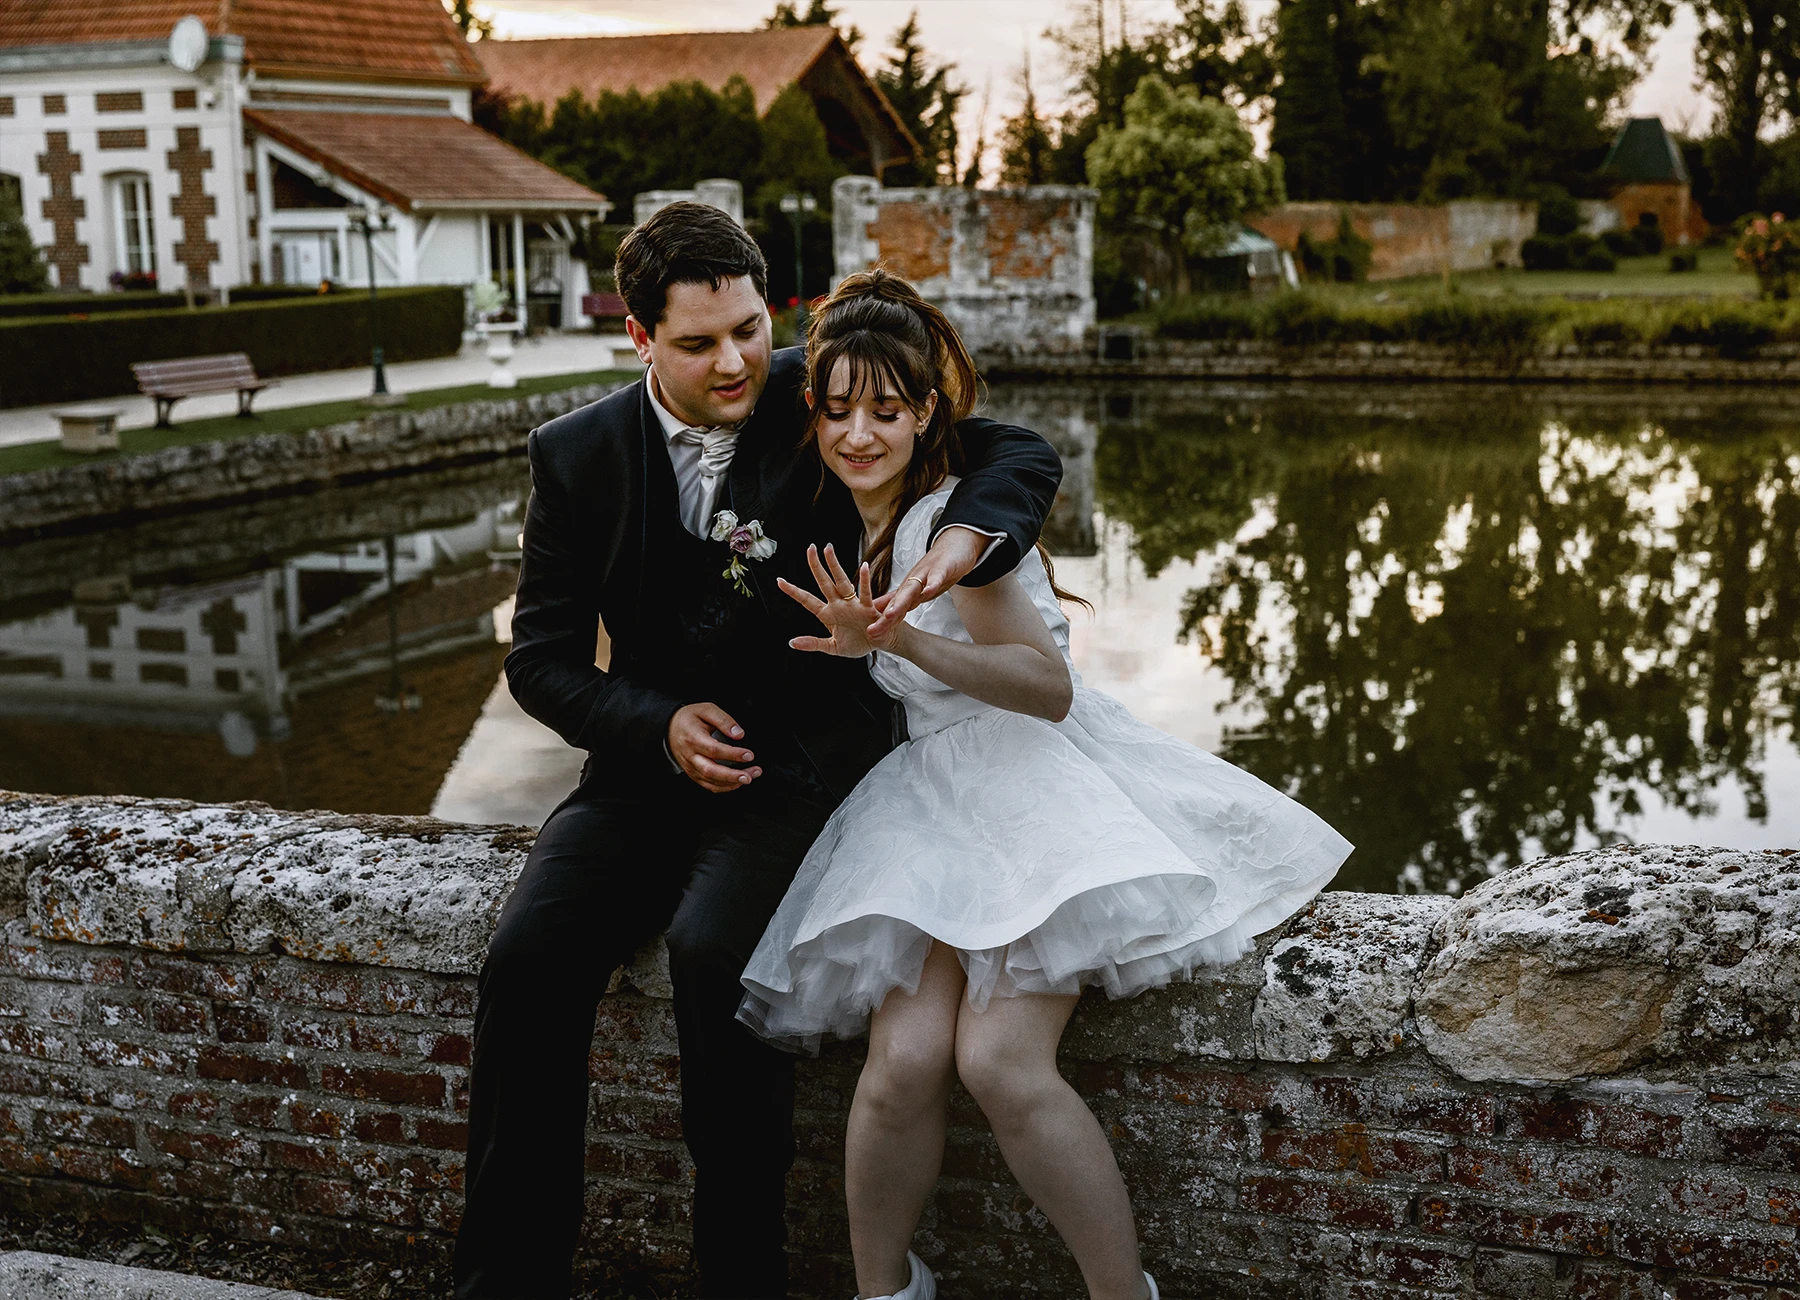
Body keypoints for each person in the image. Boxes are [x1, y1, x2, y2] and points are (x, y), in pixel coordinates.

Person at [452, 206, 1064, 1299]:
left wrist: (962, 545)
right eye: (698, 342)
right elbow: (539, 663)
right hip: (639, 777)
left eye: (748, 328)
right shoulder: (576, 454)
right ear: (638, 337)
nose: (735, 360)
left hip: (795, 772)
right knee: (526, 961)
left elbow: (1012, 447)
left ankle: (741, 1272)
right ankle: (506, 1275)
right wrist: (657, 724)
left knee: (711, 952)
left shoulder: (813, 395)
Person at [739, 270, 1355, 1300]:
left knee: (1001, 1061)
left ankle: (1126, 1295)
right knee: (901, 1065)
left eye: (886, 411)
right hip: (928, 800)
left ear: (927, 412)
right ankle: (887, 1291)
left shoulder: (959, 529)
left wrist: (905, 645)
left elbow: (1048, 690)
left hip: (1032, 779)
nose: (857, 433)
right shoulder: (842, 517)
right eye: (837, 408)